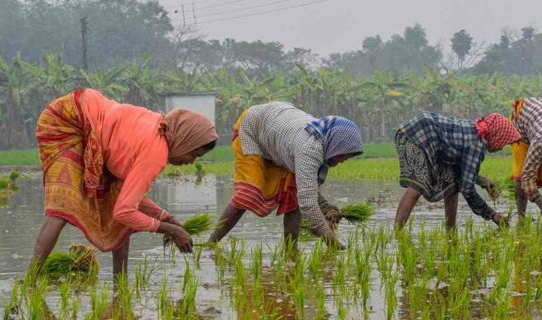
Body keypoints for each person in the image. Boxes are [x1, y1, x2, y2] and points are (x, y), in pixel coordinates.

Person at [32, 89, 218, 277]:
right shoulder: (156, 154)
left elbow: (127, 201)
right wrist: (170, 230)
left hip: (91, 117)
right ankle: (30, 282)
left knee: (115, 199)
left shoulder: (161, 127)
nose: (191, 161)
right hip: (68, 120)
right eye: (194, 154)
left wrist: (168, 220)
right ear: (185, 140)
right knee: (63, 207)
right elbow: (125, 211)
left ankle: (119, 285)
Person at [207, 102, 363, 249]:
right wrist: (330, 240)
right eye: (343, 156)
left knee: (292, 196)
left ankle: (291, 252)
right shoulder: (309, 149)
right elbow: (308, 203)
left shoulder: (323, 138)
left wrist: (326, 208)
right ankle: (211, 244)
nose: (343, 161)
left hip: (279, 135)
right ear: (335, 145)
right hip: (253, 127)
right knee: (248, 194)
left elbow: (306, 189)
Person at [393, 112, 522, 230]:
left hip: (423, 136)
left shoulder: (476, 132)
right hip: (418, 135)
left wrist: (482, 181)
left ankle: (451, 231)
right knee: (418, 185)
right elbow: (468, 189)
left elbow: (462, 172)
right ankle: (397, 233)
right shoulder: (477, 143)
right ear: (497, 135)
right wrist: (493, 215)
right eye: (504, 142)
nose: (501, 148)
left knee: (452, 183)